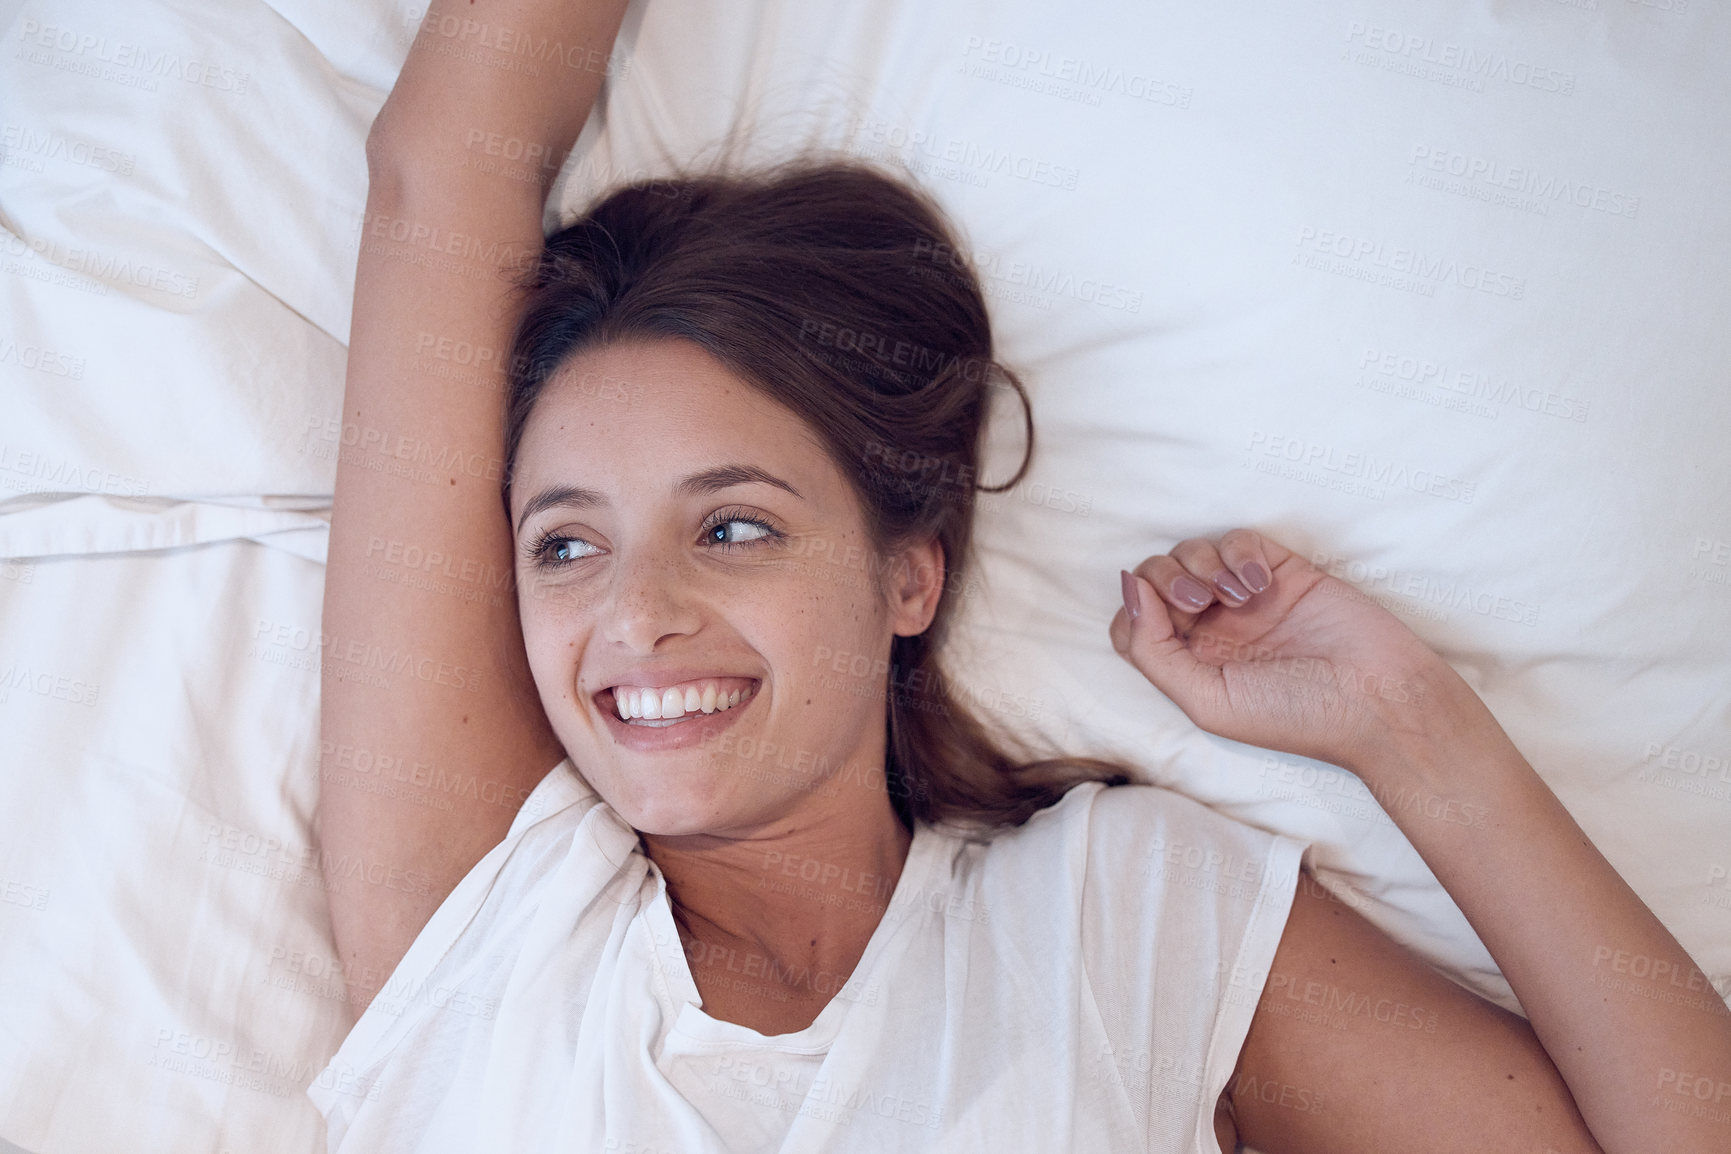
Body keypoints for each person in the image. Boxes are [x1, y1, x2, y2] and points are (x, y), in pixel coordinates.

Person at [311, 1, 1731, 1150]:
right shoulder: (490, 936)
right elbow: (448, 164)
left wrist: (1413, 728)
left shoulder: (1118, 915)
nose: (634, 614)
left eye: (733, 525)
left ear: (910, 574)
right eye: (566, 543)